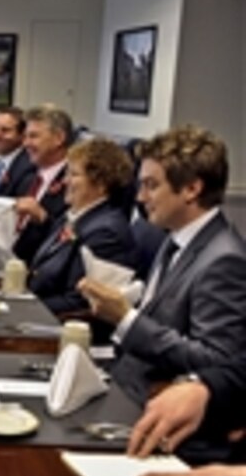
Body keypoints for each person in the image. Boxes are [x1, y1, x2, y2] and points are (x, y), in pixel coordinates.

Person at [79, 125, 246, 404]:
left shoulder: (224, 260)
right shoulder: (173, 238)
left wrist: (126, 319)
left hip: (154, 407)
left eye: (151, 185)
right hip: (122, 382)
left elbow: (216, 361)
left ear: (192, 189)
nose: (140, 197)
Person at [27, 138, 136, 322]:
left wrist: (25, 307)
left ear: (101, 183)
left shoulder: (107, 233)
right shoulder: (72, 216)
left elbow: (80, 303)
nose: (64, 181)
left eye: (73, 174)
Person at [11, 104, 73, 264]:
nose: (25, 144)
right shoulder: (28, 178)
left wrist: (42, 217)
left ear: (59, 138)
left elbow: (69, 243)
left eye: (34, 136)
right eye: (25, 137)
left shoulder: (73, 183)